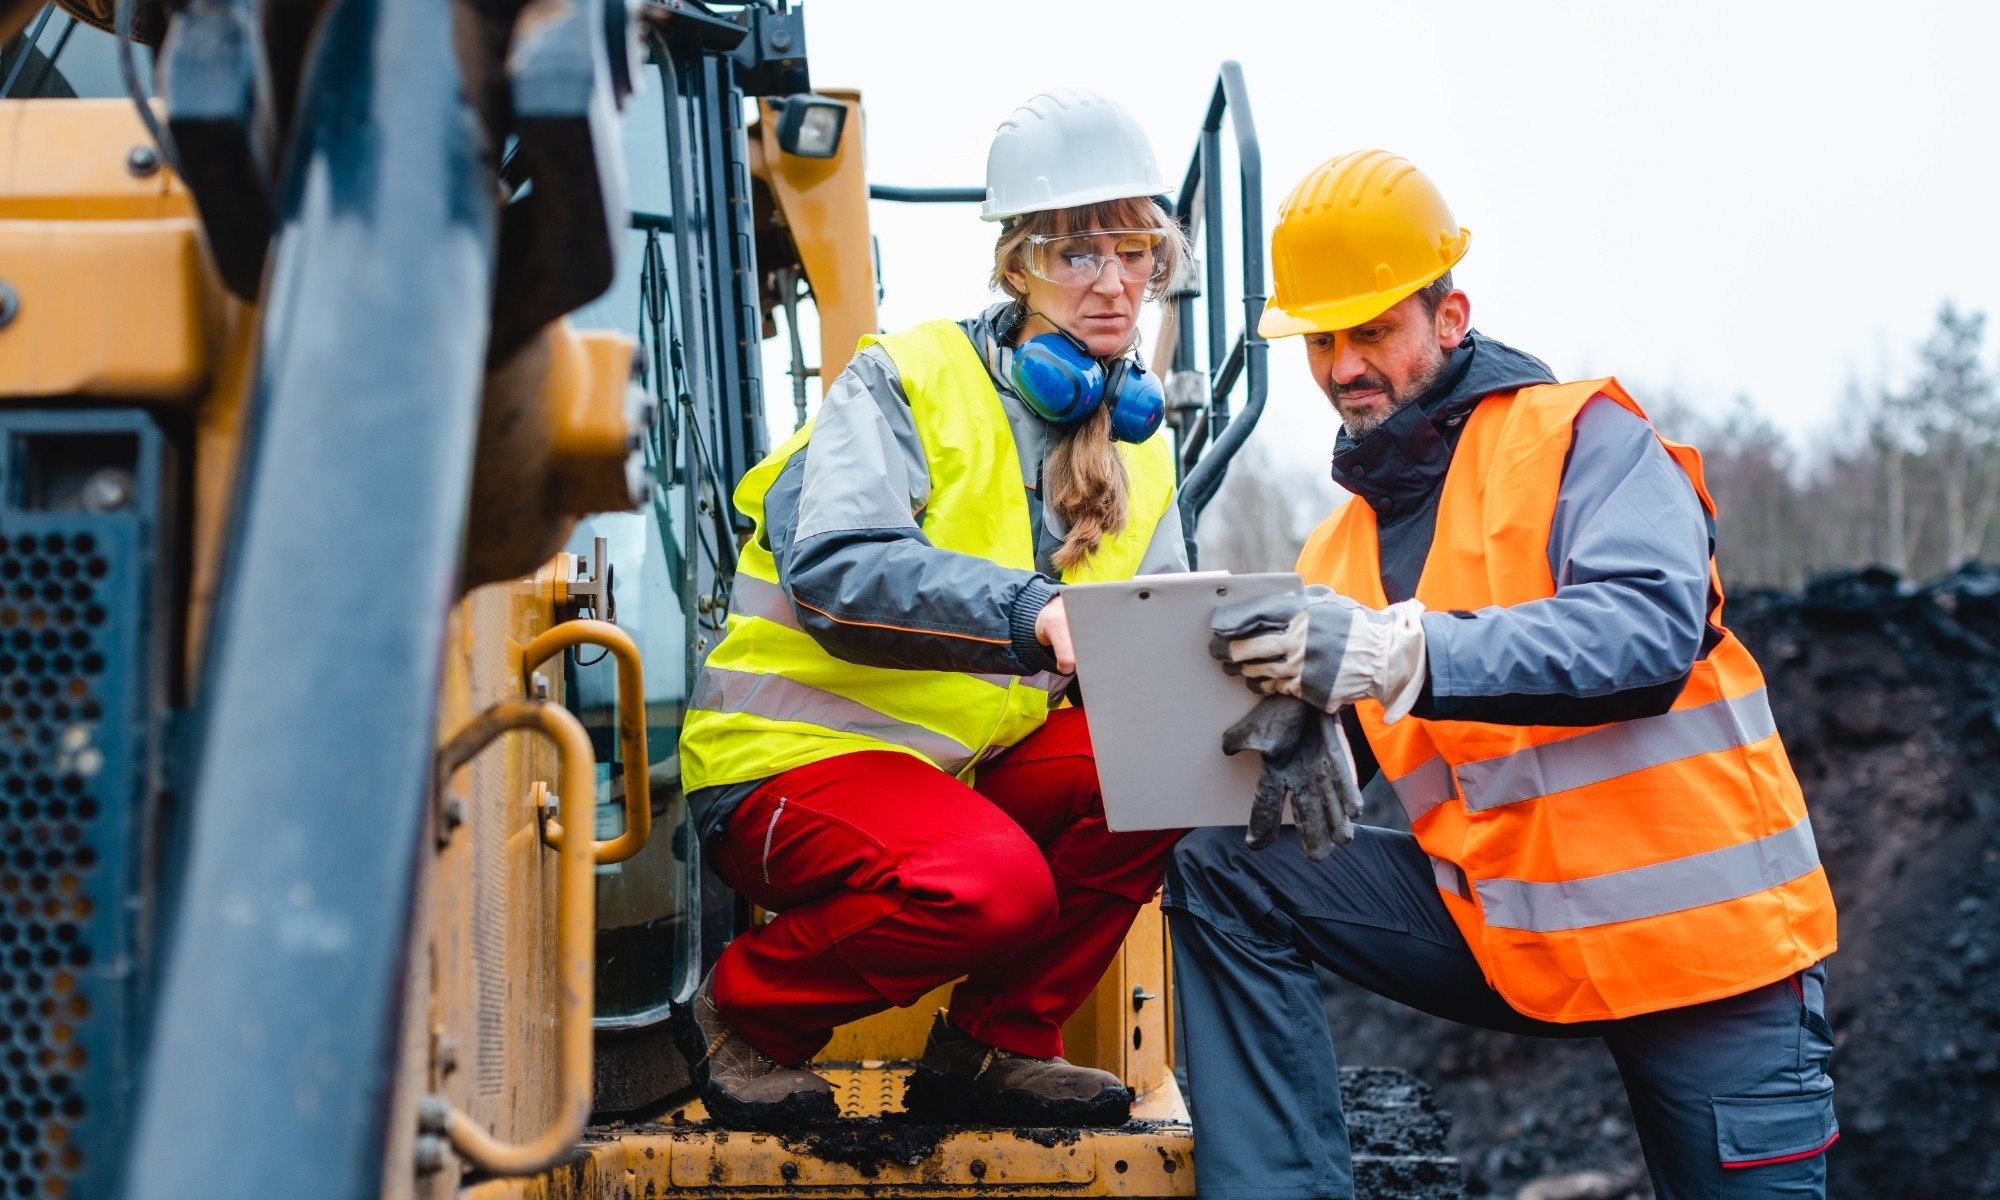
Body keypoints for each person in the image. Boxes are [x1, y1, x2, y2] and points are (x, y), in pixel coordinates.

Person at [1165, 150, 1840, 1200]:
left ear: (1447, 315)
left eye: (1372, 330)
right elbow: (1326, 754)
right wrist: (1280, 732)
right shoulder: (1332, 555)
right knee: (1222, 861)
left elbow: (1644, 634)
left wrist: (1399, 653)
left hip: (1706, 958)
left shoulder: (1583, 439)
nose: (1344, 364)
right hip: (1508, 932)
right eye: (1322, 339)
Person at [675, 89, 1190, 1131]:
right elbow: (833, 567)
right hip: (783, 768)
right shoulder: (901, 381)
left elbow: (1162, 648)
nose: (1110, 280)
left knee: (1163, 756)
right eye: (1074, 253)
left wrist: (1268, 694)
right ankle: (748, 1016)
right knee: (992, 885)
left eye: (1132, 250)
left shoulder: (1141, 448)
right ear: (1018, 267)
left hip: (941, 780)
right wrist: (1028, 609)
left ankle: (994, 1046)